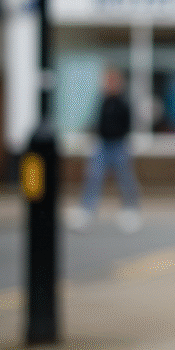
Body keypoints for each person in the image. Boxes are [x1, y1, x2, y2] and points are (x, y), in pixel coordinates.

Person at [67, 68, 143, 234]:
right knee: (93, 177)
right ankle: (86, 210)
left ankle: (131, 210)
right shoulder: (102, 101)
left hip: (118, 145)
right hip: (102, 145)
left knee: (125, 179)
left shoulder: (123, 102)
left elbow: (127, 124)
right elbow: (97, 121)